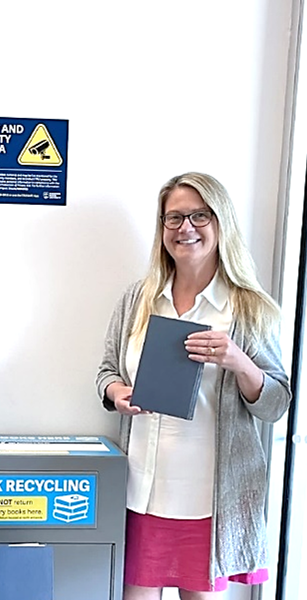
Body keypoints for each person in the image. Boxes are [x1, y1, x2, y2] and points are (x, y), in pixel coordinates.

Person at [95, 172, 291, 599]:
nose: (185, 228)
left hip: (206, 499)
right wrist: (116, 393)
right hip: (139, 490)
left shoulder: (247, 308)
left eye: (199, 216)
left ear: (221, 223)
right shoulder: (138, 299)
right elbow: (107, 371)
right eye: (174, 218)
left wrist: (238, 361)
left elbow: (276, 402)